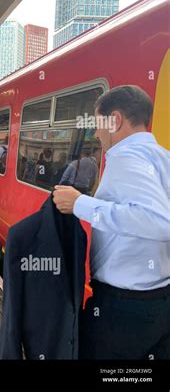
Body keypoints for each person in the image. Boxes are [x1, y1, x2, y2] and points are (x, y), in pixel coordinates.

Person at [53, 85, 170, 359]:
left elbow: (157, 221)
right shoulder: (164, 158)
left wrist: (79, 203)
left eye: (98, 124)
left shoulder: (125, 157)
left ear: (114, 120)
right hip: (160, 303)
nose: (96, 133)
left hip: (123, 310)